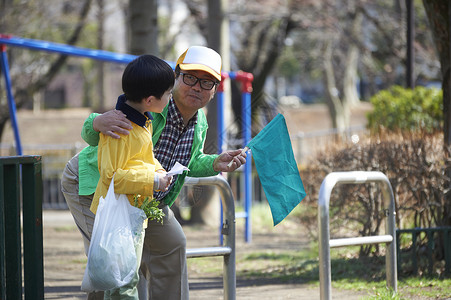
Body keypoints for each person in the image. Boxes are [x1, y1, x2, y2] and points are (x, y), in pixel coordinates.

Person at [61, 45, 247, 300]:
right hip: (98, 187)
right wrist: (95, 121)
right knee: (115, 258)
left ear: (215, 91)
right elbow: (97, 135)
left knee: (172, 243)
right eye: (190, 78)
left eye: (207, 83)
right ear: (176, 76)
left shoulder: (199, 121)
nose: (197, 87)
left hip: (144, 196)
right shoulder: (151, 101)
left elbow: (187, 161)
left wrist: (216, 163)